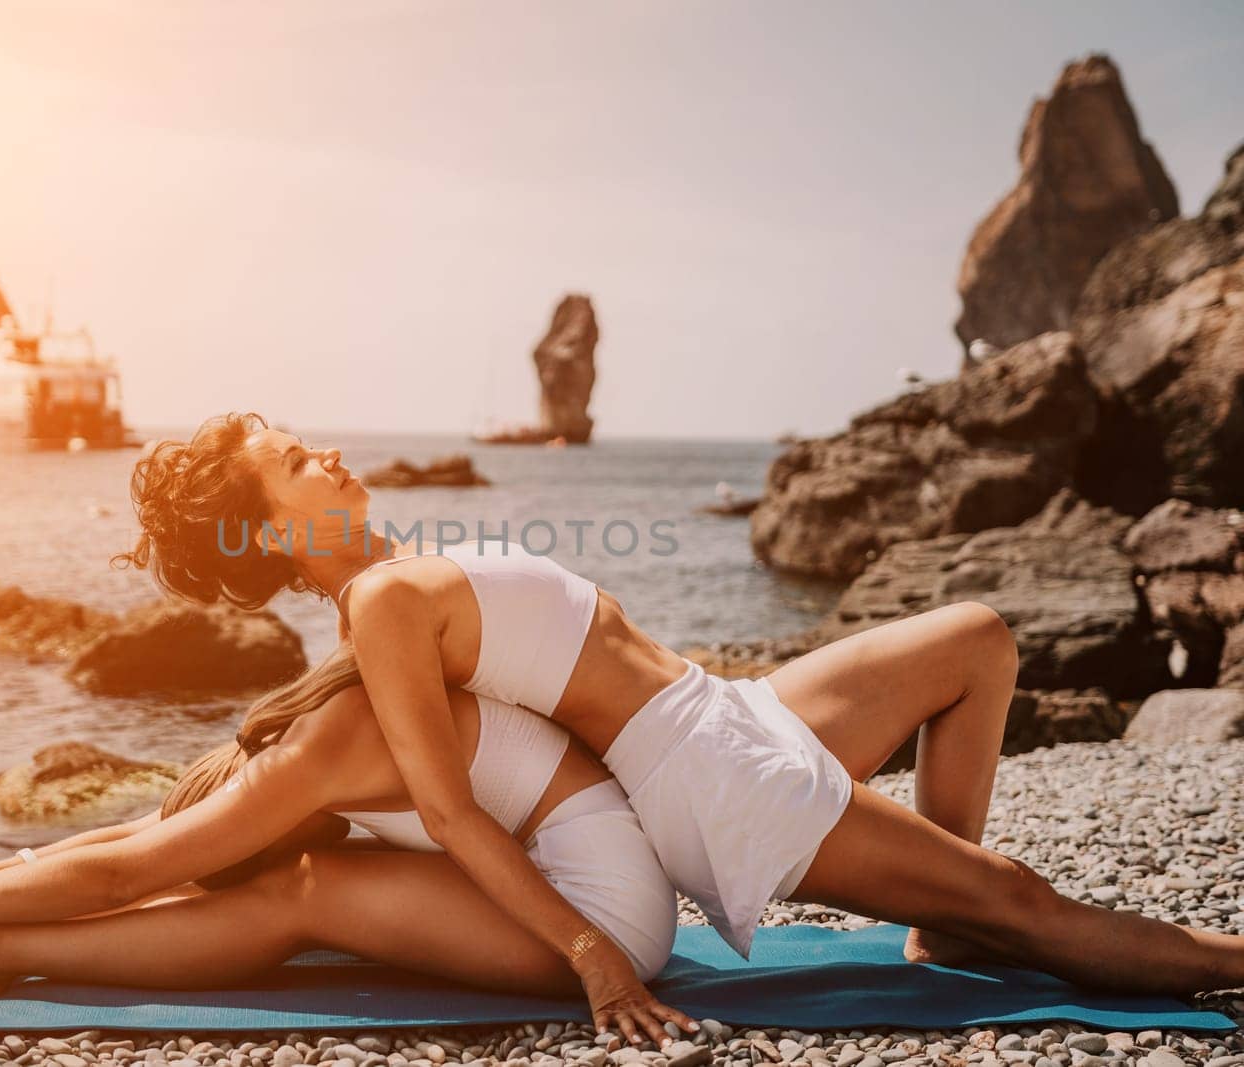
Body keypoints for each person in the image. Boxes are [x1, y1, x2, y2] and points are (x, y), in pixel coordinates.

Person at [100, 411, 1244, 1028]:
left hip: (725, 708)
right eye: (298, 460)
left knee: (976, 637)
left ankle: (946, 917)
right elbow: (447, 803)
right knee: (1028, 901)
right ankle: (1014, 914)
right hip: (711, 778)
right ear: (278, 530)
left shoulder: (395, 573)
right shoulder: (384, 605)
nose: (333, 451)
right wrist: (587, 949)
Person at [0, 646, 693, 1045]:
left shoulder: (321, 754)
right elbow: (136, 834)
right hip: (571, 878)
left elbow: (134, 867)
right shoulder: (316, 719)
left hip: (604, 918)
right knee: (296, 877)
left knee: (303, 888)